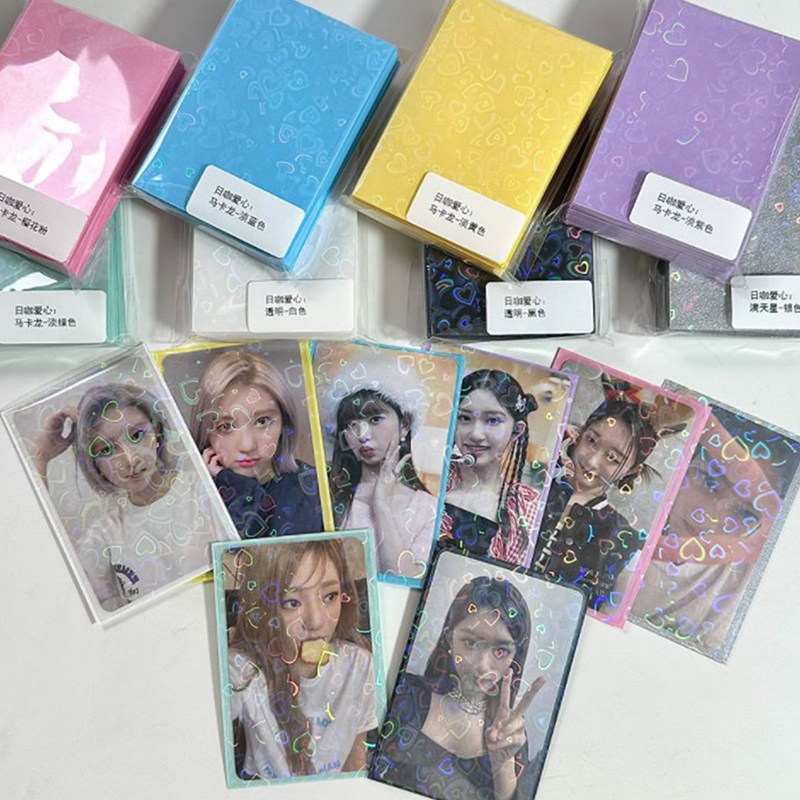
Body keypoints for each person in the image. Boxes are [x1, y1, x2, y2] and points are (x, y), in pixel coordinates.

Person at [30, 383, 217, 612]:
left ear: (157, 432)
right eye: (106, 450)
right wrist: (40, 456)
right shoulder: (103, 537)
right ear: (95, 464)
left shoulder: (205, 489)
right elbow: (44, 579)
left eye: (137, 435)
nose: (130, 459)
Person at [372, 575, 545, 800]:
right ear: (449, 638)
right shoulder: (405, 693)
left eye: (500, 651)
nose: (483, 665)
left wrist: (502, 765)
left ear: (515, 657)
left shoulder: (512, 734)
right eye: (471, 643)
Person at [227, 538, 377, 780]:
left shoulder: (360, 666)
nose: (317, 621)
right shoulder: (242, 671)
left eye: (330, 596)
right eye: (292, 602)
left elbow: (355, 762)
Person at [531, 378, 680, 612]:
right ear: (578, 434)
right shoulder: (533, 480)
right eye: (591, 441)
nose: (592, 461)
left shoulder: (624, 541)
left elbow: (606, 616)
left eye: (613, 458)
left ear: (632, 471)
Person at [191, 350, 323, 538]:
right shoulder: (189, 499)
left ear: (285, 422)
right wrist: (232, 486)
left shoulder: (311, 488)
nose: (247, 446)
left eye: (262, 422)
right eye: (225, 426)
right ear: (205, 432)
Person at [330, 387, 438, 578]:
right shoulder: (329, 498)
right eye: (352, 424)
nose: (362, 435)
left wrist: (381, 504)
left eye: (375, 420)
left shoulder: (429, 508)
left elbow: (405, 580)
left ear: (405, 424)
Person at [441, 369, 539, 565]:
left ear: (516, 431)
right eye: (465, 418)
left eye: (493, 420)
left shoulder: (525, 508)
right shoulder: (432, 482)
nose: (476, 434)